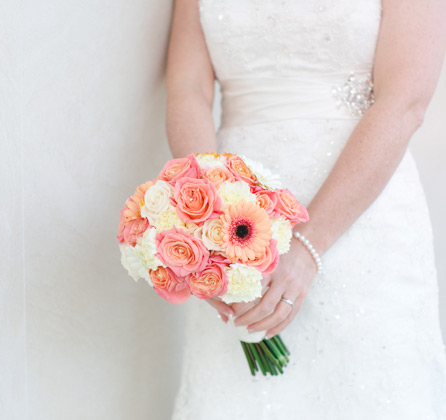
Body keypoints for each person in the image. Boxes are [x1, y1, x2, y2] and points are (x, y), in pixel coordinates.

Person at [165, 0, 446, 418]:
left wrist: (308, 247)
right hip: (238, 217)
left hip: (362, 213)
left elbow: (405, 101)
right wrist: (210, 230)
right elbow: (188, 86)